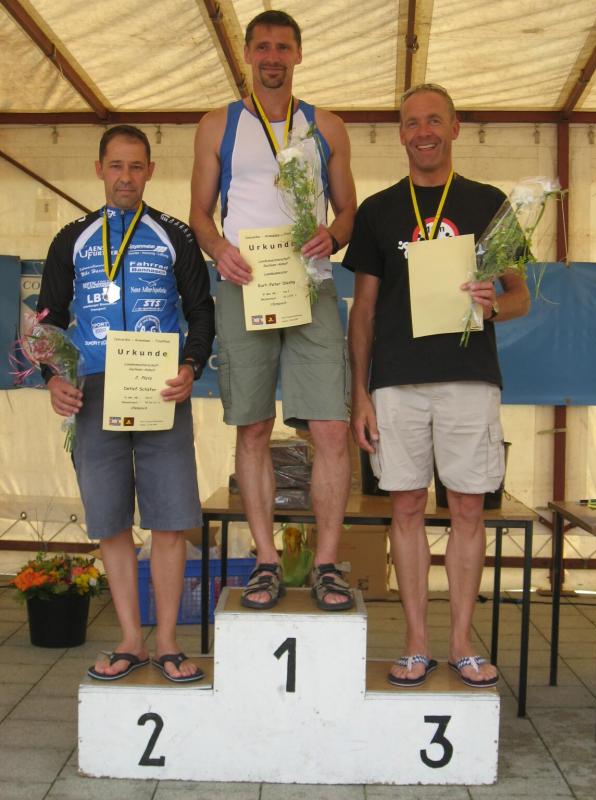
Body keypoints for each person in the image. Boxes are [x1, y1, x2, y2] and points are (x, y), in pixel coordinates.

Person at [345, 84, 530, 688]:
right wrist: (359, 393)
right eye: (410, 123)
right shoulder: (377, 210)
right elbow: (363, 311)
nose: (422, 132)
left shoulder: (488, 202)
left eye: (433, 121)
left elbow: (520, 296)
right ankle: (417, 644)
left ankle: (462, 644)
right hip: (396, 382)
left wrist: (493, 304)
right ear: (399, 133)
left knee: (468, 508)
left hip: (469, 378)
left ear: (454, 128)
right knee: (404, 506)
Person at [189, 10, 357, 610]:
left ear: (299, 55)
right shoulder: (218, 125)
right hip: (246, 282)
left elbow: (348, 211)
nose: (272, 57)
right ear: (247, 54)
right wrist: (219, 250)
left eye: (283, 47)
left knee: (331, 428)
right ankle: (266, 561)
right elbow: (199, 213)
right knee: (254, 425)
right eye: (262, 47)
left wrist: (333, 236)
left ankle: (327, 565)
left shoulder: (327, 126)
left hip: (311, 283)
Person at [38, 125, 215, 682]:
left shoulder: (174, 234)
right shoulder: (71, 239)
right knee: (111, 521)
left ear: (151, 171)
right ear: (99, 169)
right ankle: (131, 640)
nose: (126, 177)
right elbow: (48, 318)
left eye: (136, 166)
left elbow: (202, 310)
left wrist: (190, 367)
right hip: (93, 390)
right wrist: (53, 377)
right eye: (116, 165)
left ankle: (167, 643)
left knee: (170, 520)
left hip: (161, 389)